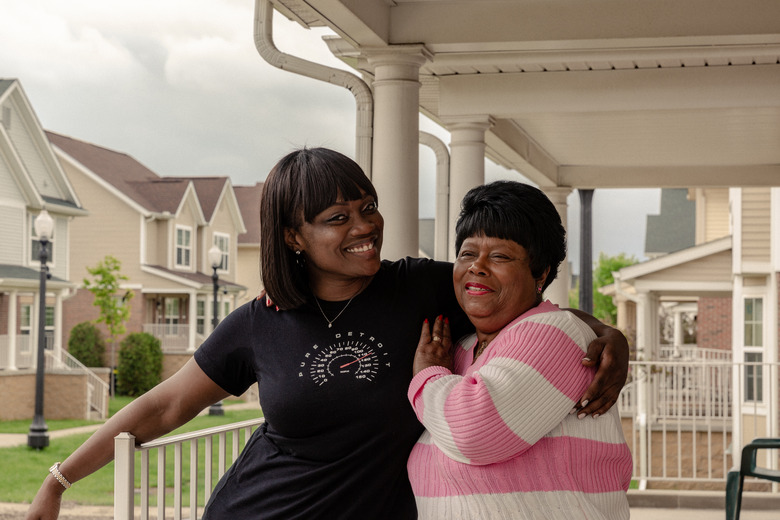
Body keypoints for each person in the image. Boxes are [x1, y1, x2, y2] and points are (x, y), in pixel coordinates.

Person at [26, 148, 628, 520]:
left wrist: (608, 336)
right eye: (338, 219)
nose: (365, 227)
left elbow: (512, 286)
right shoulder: (260, 321)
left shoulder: (418, 287)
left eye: (368, 208)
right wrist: (59, 480)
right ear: (294, 236)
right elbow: (163, 406)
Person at [407, 180, 633, 519]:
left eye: (499, 256)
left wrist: (427, 376)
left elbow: (474, 433)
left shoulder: (554, 333)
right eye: (467, 253)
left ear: (539, 272)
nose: (477, 266)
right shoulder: (463, 348)